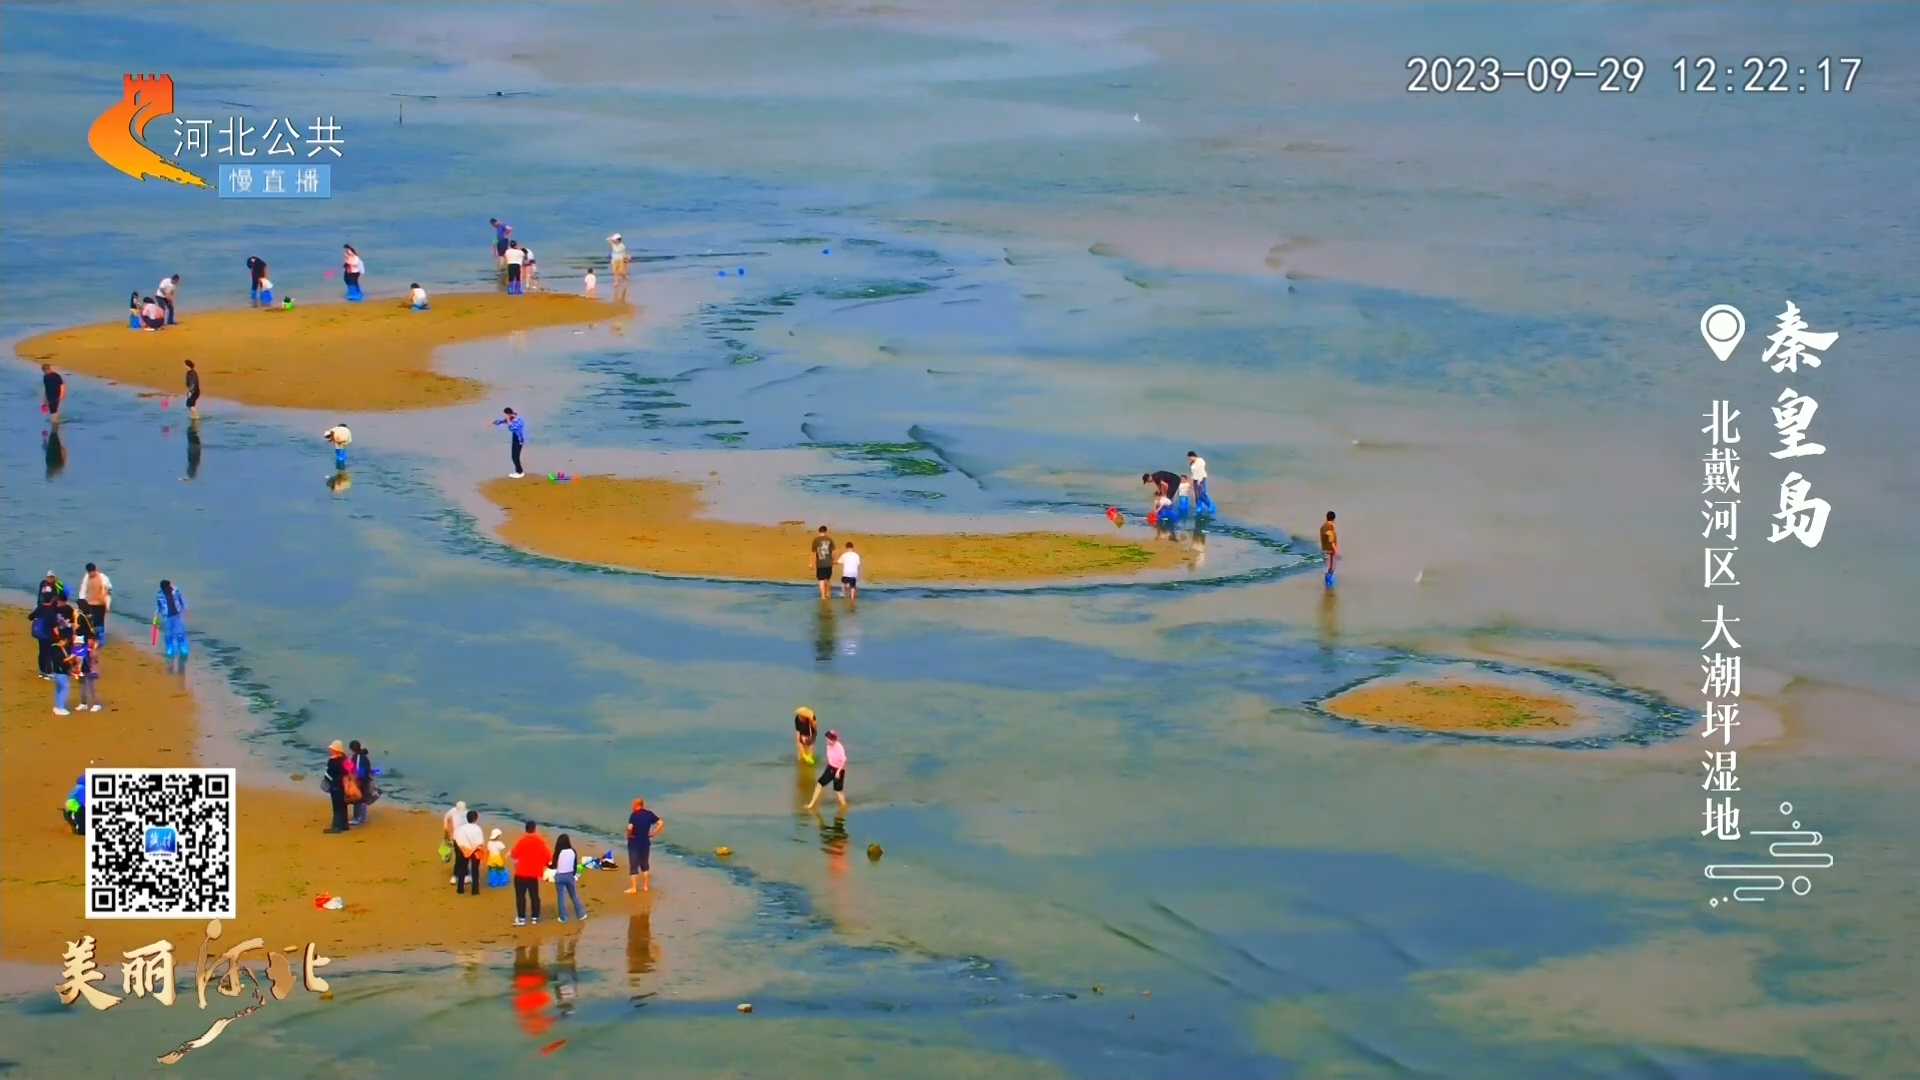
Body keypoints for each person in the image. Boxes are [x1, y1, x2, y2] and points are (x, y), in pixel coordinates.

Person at [511, 821, 552, 926]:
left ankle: (521, 918)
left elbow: (514, 854)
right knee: (534, 896)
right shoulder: (540, 841)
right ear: (534, 829)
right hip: (533, 874)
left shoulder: (522, 841)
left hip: (520, 873)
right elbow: (548, 857)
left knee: (520, 897)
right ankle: (535, 917)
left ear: (526, 829)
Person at [624, 798, 663, 894]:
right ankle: (645, 886)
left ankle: (634, 888)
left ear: (636, 805)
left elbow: (630, 828)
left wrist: (629, 835)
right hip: (645, 843)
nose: (632, 806)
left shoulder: (634, 815)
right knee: (645, 865)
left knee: (633, 866)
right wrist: (654, 833)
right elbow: (661, 823)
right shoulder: (649, 814)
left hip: (634, 843)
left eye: (633, 805)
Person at [805, 730, 849, 811]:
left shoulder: (839, 747)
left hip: (838, 770)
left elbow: (844, 760)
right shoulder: (828, 745)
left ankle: (844, 807)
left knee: (838, 791)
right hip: (830, 768)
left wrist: (838, 772)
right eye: (827, 738)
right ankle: (811, 804)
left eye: (829, 738)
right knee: (819, 784)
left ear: (834, 740)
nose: (827, 740)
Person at [551, 834, 586, 923]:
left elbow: (553, 865)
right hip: (570, 876)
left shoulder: (558, 851)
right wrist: (573, 875)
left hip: (560, 876)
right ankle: (581, 914)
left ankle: (563, 918)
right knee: (574, 895)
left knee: (561, 897)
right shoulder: (573, 851)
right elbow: (574, 865)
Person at [452, 808, 485, 895]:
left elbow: (457, 839)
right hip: (475, 851)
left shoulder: (461, 828)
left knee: (462, 869)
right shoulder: (478, 828)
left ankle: (460, 889)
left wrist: (464, 848)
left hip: (464, 850)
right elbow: (480, 842)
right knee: (475, 871)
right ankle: (475, 891)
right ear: (476, 818)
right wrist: (475, 849)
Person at [155, 580, 188, 663]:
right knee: (168, 634)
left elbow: (181, 600)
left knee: (180, 633)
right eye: (168, 586)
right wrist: (156, 615)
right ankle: (170, 650)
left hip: (177, 615)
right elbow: (159, 606)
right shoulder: (159, 594)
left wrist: (184, 609)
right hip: (167, 617)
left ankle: (183, 649)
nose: (170, 587)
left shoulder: (175, 591)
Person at [79, 563, 112, 647]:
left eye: (92, 571)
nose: (91, 573)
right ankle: (91, 638)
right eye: (89, 572)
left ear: (95, 569)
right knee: (90, 621)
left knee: (100, 622)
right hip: (90, 604)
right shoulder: (86, 578)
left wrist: (108, 605)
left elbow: (108, 592)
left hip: (100, 604)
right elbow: (83, 590)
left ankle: (100, 640)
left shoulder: (103, 578)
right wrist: (81, 602)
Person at [50, 625, 81, 716]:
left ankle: (58, 706)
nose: (66, 642)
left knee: (59, 689)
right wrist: (70, 658)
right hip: (60, 672)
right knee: (64, 689)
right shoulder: (55, 648)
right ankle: (60, 707)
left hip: (61, 672)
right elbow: (59, 661)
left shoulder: (63, 648)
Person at [323, 740, 350, 833]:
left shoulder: (332, 761)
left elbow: (329, 773)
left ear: (336, 750)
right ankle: (344, 825)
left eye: (332, 749)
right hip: (344, 785)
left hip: (336, 785)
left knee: (337, 807)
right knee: (343, 805)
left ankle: (336, 827)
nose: (330, 750)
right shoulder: (345, 759)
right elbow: (351, 770)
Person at [493, 407, 527, 478]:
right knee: (514, 456)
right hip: (515, 439)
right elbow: (502, 421)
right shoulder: (511, 418)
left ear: (508, 414)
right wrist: (496, 422)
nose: (505, 416)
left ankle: (520, 472)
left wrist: (508, 419)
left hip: (519, 440)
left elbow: (511, 428)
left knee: (515, 457)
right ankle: (518, 471)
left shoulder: (519, 421)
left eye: (506, 415)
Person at [442, 799, 469, 884]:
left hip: (459, 838)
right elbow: (446, 819)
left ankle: (458, 876)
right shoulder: (463, 813)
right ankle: (461, 876)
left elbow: (446, 819)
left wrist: (446, 831)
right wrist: (446, 830)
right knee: (462, 857)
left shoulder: (454, 811)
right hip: (461, 839)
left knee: (460, 857)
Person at [348, 740, 375, 825]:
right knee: (362, 798)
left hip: (361, 781)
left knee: (359, 799)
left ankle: (359, 818)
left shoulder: (359, 757)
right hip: (364, 780)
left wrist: (357, 781)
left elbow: (360, 770)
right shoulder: (362, 756)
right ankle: (361, 818)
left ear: (352, 749)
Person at [811, 525, 836, 600]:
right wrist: (833, 560)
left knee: (821, 580)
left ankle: (823, 596)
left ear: (819, 531)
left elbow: (813, 553)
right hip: (828, 563)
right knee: (827, 579)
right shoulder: (830, 539)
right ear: (826, 531)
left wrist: (812, 563)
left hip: (820, 563)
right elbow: (833, 552)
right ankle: (828, 593)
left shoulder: (816, 540)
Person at [1320, 510, 1340, 586]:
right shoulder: (1330, 526)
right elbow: (1331, 539)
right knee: (1333, 567)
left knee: (1328, 566)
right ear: (1334, 518)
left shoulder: (1323, 526)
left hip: (1324, 549)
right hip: (1331, 550)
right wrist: (1336, 550)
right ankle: (1329, 584)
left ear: (1327, 517)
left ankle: (1327, 582)